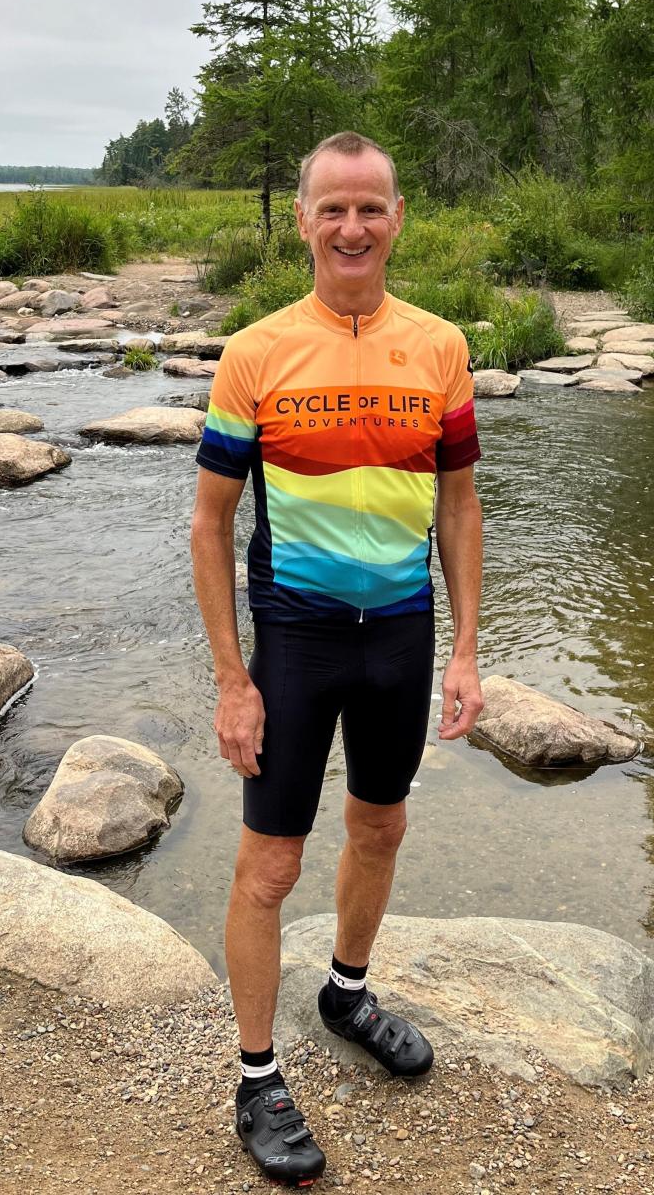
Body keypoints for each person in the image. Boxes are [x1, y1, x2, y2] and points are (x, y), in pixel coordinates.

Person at [190, 131, 484, 1186]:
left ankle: (347, 992)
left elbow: (458, 501)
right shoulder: (258, 352)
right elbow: (211, 525)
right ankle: (258, 1076)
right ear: (304, 220)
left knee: (382, 825)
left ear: (398, 217)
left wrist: (467, 651)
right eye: (332, 209)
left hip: (402, 636)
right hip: (299, 642)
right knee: (270, 863)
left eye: (370, 208)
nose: (352, 228)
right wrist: (233, 678)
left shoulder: (440, 348)